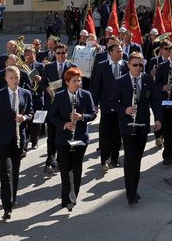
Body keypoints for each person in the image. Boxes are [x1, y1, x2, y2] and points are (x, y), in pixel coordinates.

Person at [110, 52, 162, 204]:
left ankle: (134, 188)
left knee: (137, 158)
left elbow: (154, 100)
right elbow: (112, 102)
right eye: (135, 65)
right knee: (130, 158)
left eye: (141, 65)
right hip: (127, 125)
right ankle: (130, 193)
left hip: (143, 124)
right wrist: (124, 109)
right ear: (128, 66)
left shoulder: (147, 79)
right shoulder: (120, 81)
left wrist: (158, 119)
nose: (138, 68)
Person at [0, 66, 34, 221]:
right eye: (12, 77)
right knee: (5, 172)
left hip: (19, 138)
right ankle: (6, 206)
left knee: (15, 171)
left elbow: (32, 113)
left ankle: (12, 199)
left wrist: (25, 118)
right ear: (6, 79)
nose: (15, 80)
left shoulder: (26, 93)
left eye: (17, 77)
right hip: (2, 139)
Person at [48, 68, 97, 212]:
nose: (78, 83)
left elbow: (93, 113)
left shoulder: (86, 95)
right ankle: (67, 199)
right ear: (67, 82)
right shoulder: (59, 96)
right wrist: (65, 124)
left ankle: (74, 195)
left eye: (79, 80)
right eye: (74, 81)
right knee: (65, 169)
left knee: (76, 169)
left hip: (80, 138)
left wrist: (82, 117)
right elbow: (52, 116)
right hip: (63, 139)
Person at [91, 43, 128, 172]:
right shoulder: (102, 66)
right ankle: (105, 159)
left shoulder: (126, 65)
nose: (120, 53)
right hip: (106, 106)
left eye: (121, 51)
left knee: (118, 134)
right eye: (117, 51)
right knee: (105, 134)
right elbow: (96, 86)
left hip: (121, 107)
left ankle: (114, 159)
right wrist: (94, 104)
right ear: (110, 52)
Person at [42, 43, 77, 174]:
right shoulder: (49, 67)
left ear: (67, 53)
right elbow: (43, 83)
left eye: (63, 53)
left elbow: (78, 84)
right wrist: (48, 90)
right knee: (51, 136)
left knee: (66, 135)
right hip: (52, 107)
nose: (61, 55)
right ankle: (49, 161)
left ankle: (64, 160)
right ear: (54, 54)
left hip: (67, 106)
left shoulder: (72, 67)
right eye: (58, 53)